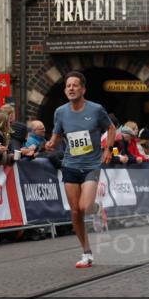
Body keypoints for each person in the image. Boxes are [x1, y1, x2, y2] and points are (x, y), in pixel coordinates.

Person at [42, 72, 115, 268]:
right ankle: (86, 252)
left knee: (85, 207)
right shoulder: (60, 112)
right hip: (70, 165)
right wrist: (49, 143)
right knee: (75, 211)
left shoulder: (96, 109)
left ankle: (96, 208)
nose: (71, 88)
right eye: (68, 86)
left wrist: (107, 149)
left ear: (83, 89)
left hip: (91, 165)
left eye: (75, 85)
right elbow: (56, 137)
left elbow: (111, 129)